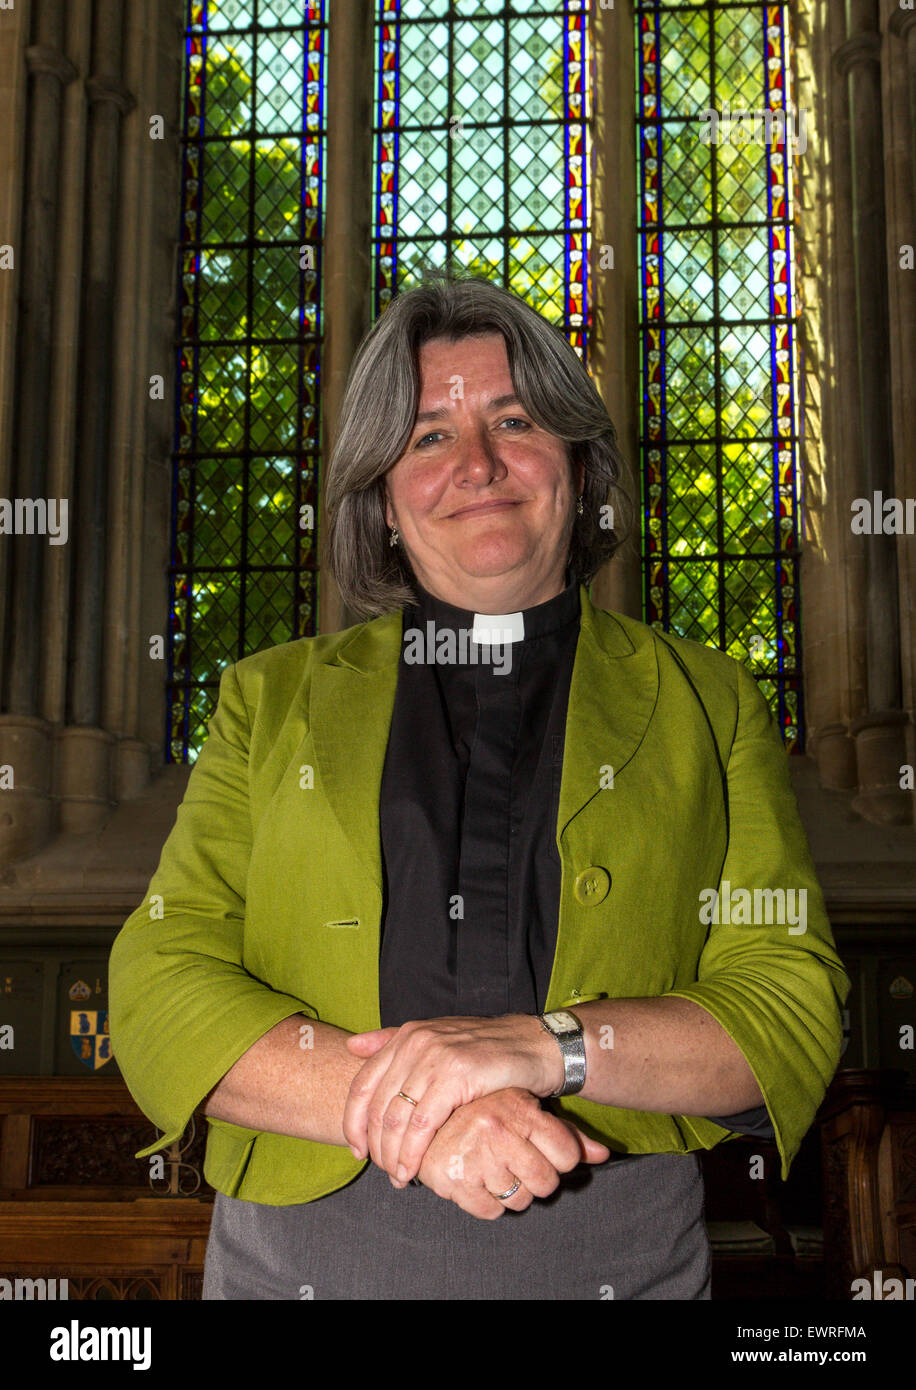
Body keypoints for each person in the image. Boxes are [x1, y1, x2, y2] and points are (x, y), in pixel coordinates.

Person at [108, 275, 850, 1300]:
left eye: (514, 420)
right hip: (302, 1258)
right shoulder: (269, 701)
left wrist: (548, 1049)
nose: (479, 464)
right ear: (380, 498)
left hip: (614, 1253)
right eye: (426, 438)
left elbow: (787, 1003)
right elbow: (160, 978)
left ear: (581, 466)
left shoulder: (706, 701)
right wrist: (426, 1112)